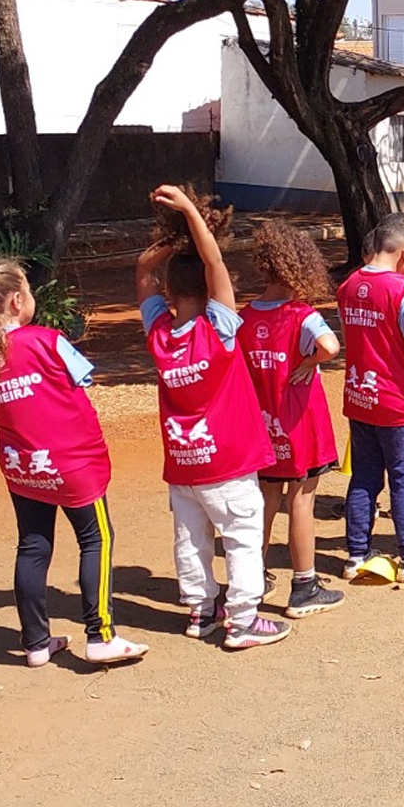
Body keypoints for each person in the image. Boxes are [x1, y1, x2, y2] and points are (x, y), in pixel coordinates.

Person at [0, 259, 150, 668]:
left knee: (33, 545)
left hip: (23, 467)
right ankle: (101, 635)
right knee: (96, 539)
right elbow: (83, 378)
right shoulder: (47, 340)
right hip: (75, 464)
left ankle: (36, 643)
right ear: (17, 301)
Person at [137, 185, 291, 650]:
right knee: (242, 538)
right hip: (228, 463)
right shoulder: (219, 329)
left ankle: (200, 610)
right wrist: (191, 216)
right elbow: (215, 263)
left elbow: (143, 269)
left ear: (168, 292)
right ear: (210, 290)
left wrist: (174, 239)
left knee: (191, 539)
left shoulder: (159, 335)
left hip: (183, 465)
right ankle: (242, 620)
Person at [240, 220, 345, 618]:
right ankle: (304, 585)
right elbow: (330, 346)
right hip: (300, 423)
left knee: (265, 498)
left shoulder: (244, 317)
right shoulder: (302, 314)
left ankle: (252, 578)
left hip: (262, 424)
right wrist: (309, 362)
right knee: (301, 499)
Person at [337, 213, 404, 584]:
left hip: (360, 397)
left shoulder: (348, 285)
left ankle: (356, 554)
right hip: (398, 402)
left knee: (364, 477)